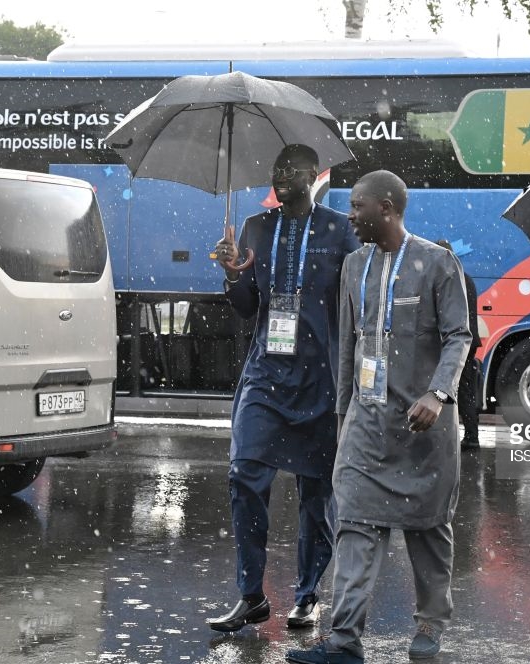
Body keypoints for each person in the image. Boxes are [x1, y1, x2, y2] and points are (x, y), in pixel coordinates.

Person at [286, 170, 472, 664]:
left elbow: (459, 336)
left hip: (423, 427)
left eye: (358, 206)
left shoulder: (437, 263)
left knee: (429, 529)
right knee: (352, 523)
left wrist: (438, 394)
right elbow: (349, 343)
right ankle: (344, 640)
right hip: (367, 423)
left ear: (387, 208)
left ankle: (431, 622)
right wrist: (346, 415)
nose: (350, 214)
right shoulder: (352, 265)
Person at [205, 144, 360, 632]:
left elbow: (359, 300)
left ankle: (308, 593)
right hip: (266, 374)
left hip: (323, 379)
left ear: (314, 176)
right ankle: (251, 594)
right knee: (244, 473)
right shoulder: (256, 227)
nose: (281, 175)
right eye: (276, 168)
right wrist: (232, 275)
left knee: (317, 495)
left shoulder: (341, 230)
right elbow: (248, 306)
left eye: (292, 169)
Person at [436, 239, 481, 449]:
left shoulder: (446, 278)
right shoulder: (467, 278)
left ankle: (448, 435)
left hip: (454, 341)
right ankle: (472, 435)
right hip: (469, 341)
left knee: (445, 387)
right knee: (465, 389)